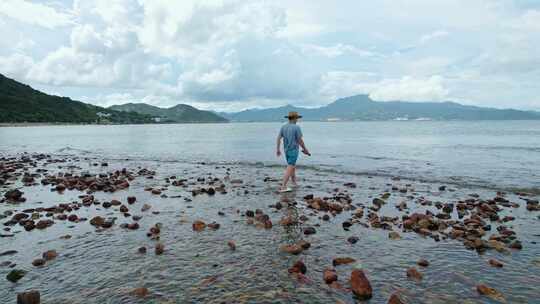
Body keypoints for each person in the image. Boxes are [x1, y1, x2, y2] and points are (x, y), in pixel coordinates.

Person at [276, 111, 310, 192]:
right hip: (293, 150)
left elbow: (278, 138)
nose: (297, 120)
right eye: (297, 118)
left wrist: (278, 149)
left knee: (292, 167)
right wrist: (305, 149)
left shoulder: (283, 127)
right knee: (290, 167)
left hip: (286, 150)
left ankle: (294, 183)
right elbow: (300, 140)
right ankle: (283, 186)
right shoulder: (296, 127)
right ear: (295, 118)